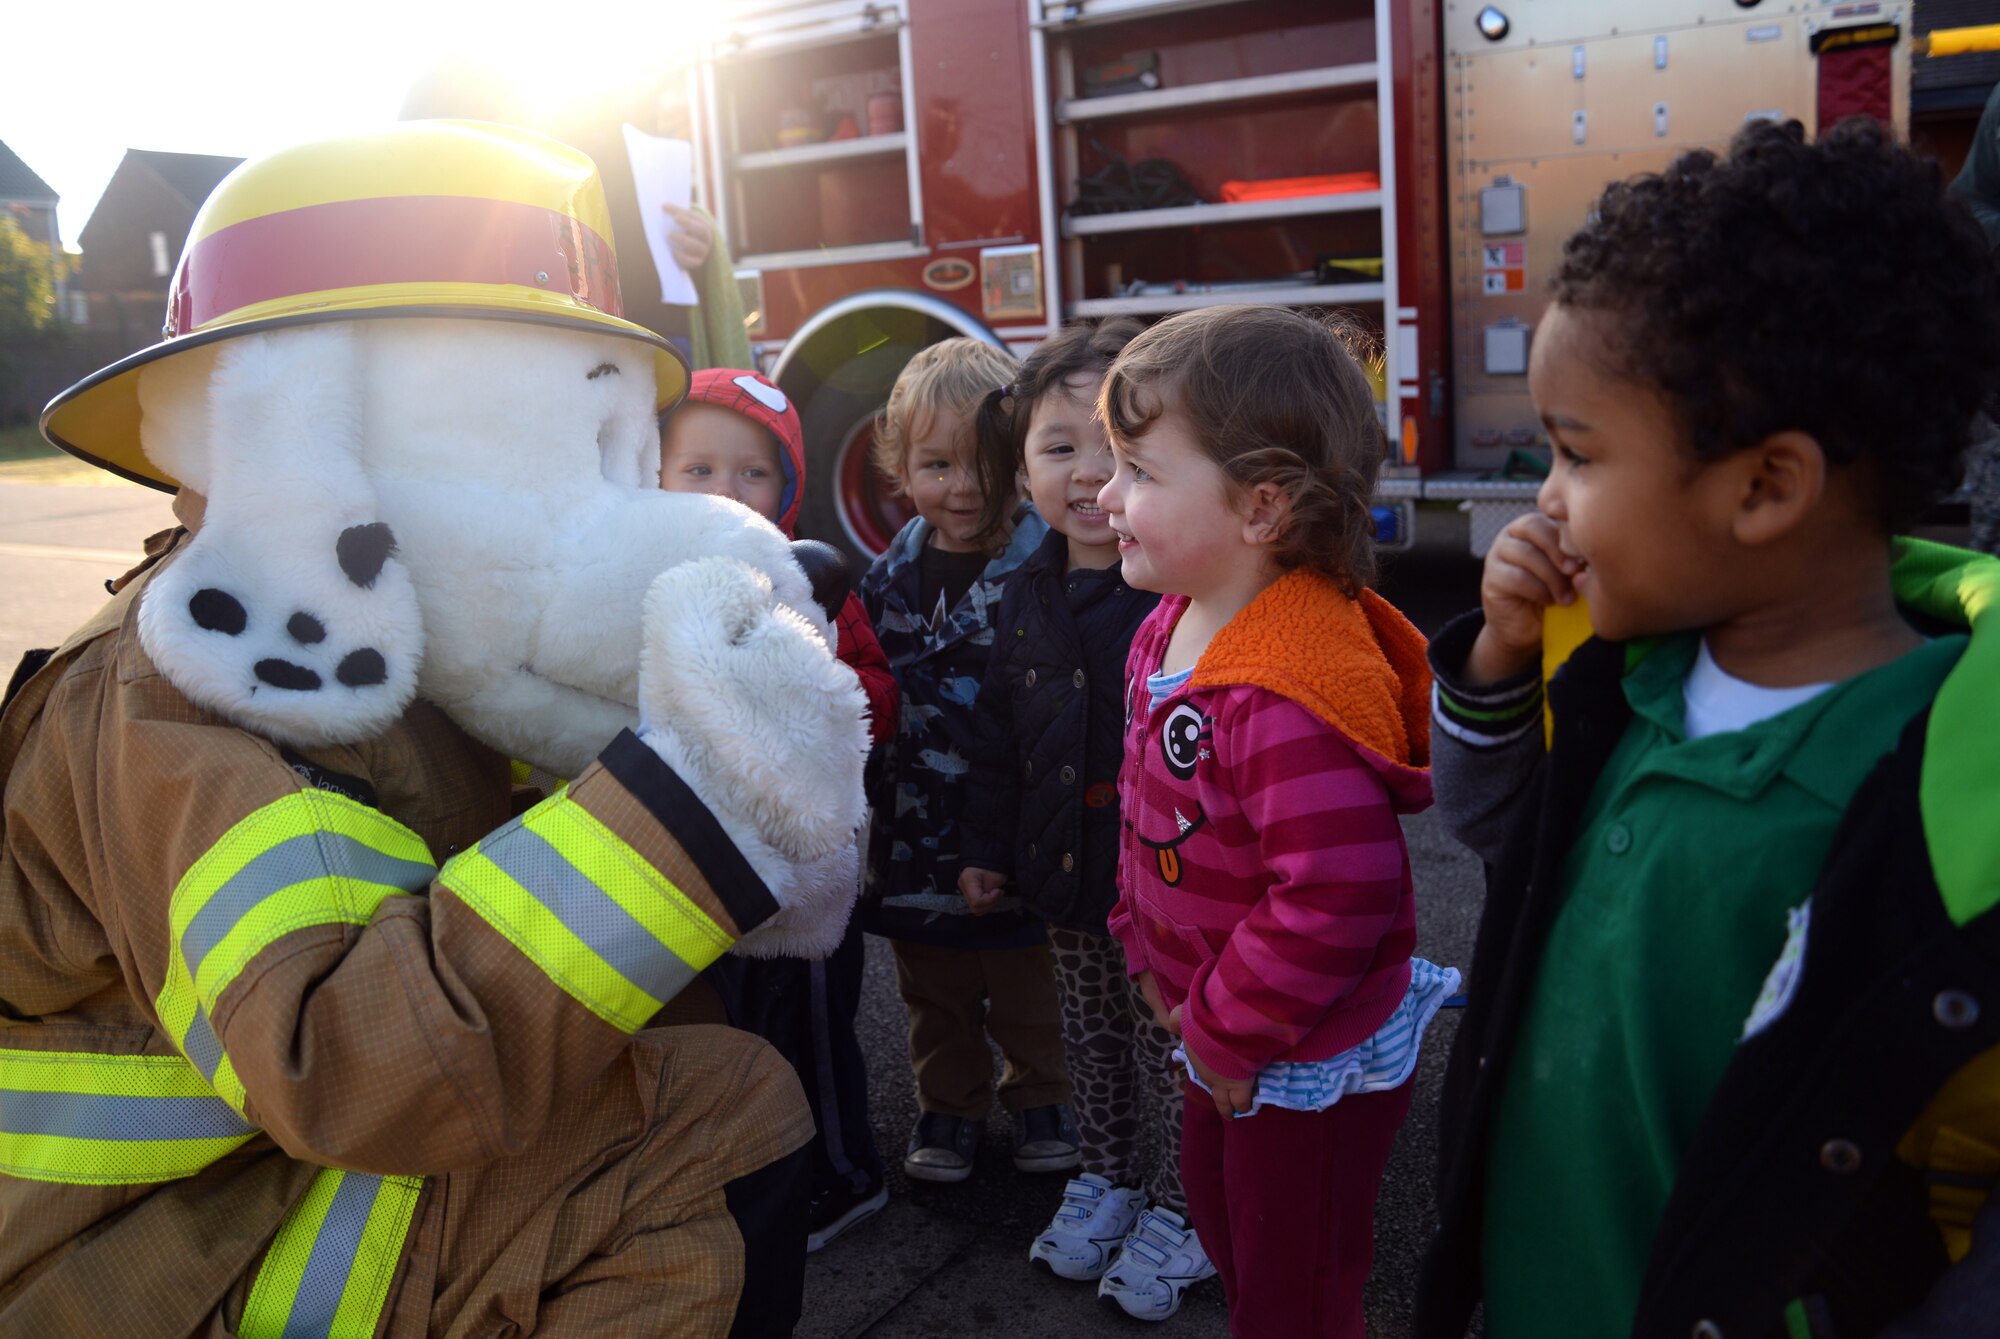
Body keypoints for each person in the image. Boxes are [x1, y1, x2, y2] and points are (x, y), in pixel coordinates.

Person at [1415, 118, 2000, 1339]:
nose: (1545, 497)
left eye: (1576, 455)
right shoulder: (1619, 673)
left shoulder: (1947, 789)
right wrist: (1498, 657)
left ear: (1762, 488)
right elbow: (1485, 824)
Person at [1097, 304, 1452, 1339]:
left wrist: (1220, 1027)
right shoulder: (1172, 620)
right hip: (1225, 1030)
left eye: (1140, 472)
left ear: (1260, 507)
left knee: (1293, 1281)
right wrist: (1144, 950)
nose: (1104, 494)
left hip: (1295, 1050)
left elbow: (1338, 895)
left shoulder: (1284, 691)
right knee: (1225, 1223)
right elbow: (1151, 812)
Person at [952, 319, 1196, 1320]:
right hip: (1065, 876)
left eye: (1119, 452)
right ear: (1019, 476)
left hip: (1168, 892)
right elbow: (997, 740)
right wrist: (980, 849)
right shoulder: (1020, 596)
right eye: (1060, 449)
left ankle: (1188, 1204)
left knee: (1169, 1044)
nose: (1091, 476)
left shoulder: (1176, 594)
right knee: (1090, 1035)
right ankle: (1108, 1176)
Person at [658, 367, 902, 1251]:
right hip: (689, 857)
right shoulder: (646, 578)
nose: (727, 491)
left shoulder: (812, 581)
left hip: (800, 863)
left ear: (788, 487)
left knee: (809, 1023)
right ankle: (741, 1171)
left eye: (753, 473)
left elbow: (878, 691)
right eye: (699, 470)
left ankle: (842, 1171)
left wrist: (819, 676)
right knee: (723, 1026)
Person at [858, 338, 1080, 1185]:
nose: (963, 486)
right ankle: (949, 1107)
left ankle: (1042, 1098)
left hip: (1020, 833)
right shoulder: (884, 581)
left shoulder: (1050, 570)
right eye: (935, 463)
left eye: (984, 461)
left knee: (1026, 984)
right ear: (899, 466)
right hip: (915, 841)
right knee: (936, 990)